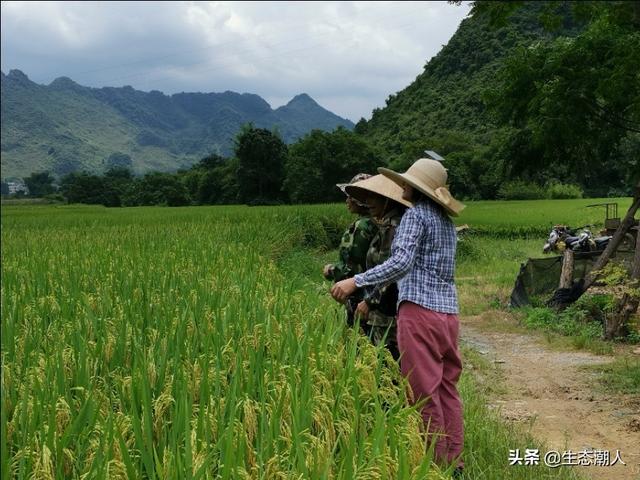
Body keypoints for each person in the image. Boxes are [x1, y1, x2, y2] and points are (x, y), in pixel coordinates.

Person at [330, 158, 466, 473]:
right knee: (447, 389)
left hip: (420, 313)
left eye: (405, 183)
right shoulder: (445, 222)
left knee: (421, 392)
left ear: (412, 187)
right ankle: (452, 463)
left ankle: (432, 465)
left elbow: (401, 262)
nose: (401, 187)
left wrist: (356, 281)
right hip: (449, 315)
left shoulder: (415, 217)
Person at [342, 174, 412, 360]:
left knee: (386, 366)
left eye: (375, 197)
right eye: (367, 197)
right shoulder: (384, 225)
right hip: (382, 309)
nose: (369, 202)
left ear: (388, 199)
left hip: (387, 312)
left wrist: (369, 301)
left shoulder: (393, 228)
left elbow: (390, 272)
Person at [323, 173, 377, 329]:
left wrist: (331, 270)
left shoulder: (362, 226)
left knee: (359, 341)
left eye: (350, 196)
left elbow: (353, 265)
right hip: (374, 295)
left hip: (361, 296)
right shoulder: (378, 222)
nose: (347, 200)